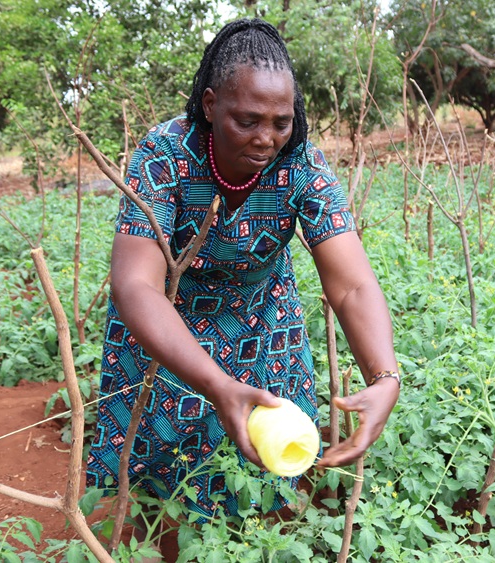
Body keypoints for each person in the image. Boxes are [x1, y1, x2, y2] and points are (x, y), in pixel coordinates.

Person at [86, 17, 400, 524]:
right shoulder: (164, 156)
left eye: (281, 122)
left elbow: (353, 285)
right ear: (211, 106)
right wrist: (216, 383)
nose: (266, 139)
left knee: (267, 470)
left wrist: (385, 377)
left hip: (261, 323)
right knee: (156, 473)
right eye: (248, 120)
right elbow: (135, 284)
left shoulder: (301, 166)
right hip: (165, 318)